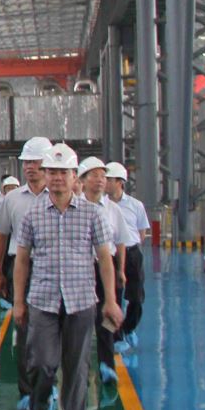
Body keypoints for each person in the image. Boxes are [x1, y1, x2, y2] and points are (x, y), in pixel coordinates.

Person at [11, 144, 122, 410]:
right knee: (42, 363)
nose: (57, 178)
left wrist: (110, 300)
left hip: (81, 300)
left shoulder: (92, 214)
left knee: (76, 367)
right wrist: (19, 301)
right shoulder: (32, 215)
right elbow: (22, 260)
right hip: (42, 300)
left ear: (75, 177)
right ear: (45, 175)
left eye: (63, 172)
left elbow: (105, 258)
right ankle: (41, 401)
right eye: (52, 172)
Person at [0, 139, 53, 410]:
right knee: (24, 327)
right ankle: (27, 391)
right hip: (21, 268)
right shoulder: (13, 199)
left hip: (52, 269)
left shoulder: (58, 196)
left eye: (34, 162)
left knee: (51, 330)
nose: (29, 167)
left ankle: (48, 385)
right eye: (26, 162)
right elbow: (2, 236)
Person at [75, 157, 134, 386]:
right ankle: (78, 368)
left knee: (106, 317)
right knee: (79, 318)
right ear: (82, 180)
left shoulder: (112, 210)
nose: (100, 180)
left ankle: (106, 364)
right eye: (94, 175)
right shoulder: (73, 207)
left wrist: (120, 269)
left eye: (103, 176)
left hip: (105, 266)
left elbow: (120, 242)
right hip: (80, 268)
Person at [104, 163, 150, 350]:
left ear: (120, 182)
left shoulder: (135, 205)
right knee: (112, 296)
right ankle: (114, 337)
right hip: (111, 255)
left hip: (132, 254)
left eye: (109, 180)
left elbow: (142, 232)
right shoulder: (102, 205)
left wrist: (130, 247)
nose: (105, 183)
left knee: (136, 297)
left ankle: (128, 328)